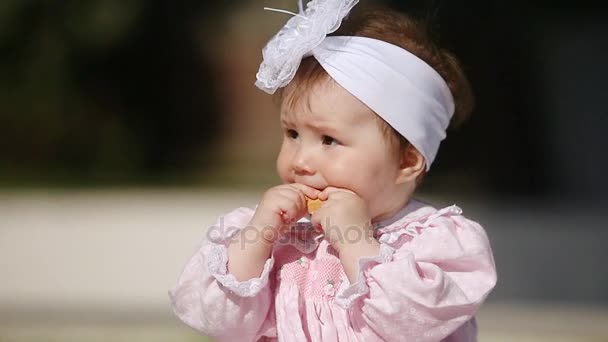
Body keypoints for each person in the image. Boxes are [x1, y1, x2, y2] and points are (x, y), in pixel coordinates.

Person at [169, 1, 496, 341]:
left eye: (329, 139)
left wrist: (356, 243)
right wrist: (259, 236)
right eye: (293, 134)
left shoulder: (436, 244)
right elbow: (217, 320)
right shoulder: (277, 232)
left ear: (406, 162)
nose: (300, 161)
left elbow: (413, 323)